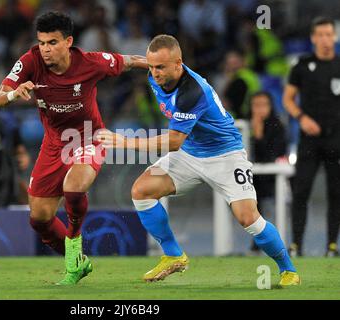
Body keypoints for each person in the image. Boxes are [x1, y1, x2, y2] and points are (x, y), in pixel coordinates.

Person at [97, 34, 300, 286]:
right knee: (141, 191)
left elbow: (173, 142)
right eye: (151, 66)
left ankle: (288, 269)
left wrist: (125, 142)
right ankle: (173, 256)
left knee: (248, 218)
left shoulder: (192, 92)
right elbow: (136, 61)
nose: (155, 73)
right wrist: (112, 63)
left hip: (225, 155)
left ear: (178, 63)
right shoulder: (154, 72)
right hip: (190, 153)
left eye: (160, 67)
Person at [0, 11, 147, 285]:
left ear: (68, 41)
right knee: (39, 218)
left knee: (74, 186)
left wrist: (161, 64)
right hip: (53, 144)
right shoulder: (30, 61)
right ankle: (78, 262)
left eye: (52, 42)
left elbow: (129, 62)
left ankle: (74, 242)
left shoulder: (90, 62)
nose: (46, 49)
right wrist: (15, 93)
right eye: (41, 43)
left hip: (89, 137)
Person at [283, 17, 340, 257]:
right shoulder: (302, 65)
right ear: (313, 38)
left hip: (336, 139)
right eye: (321, 35)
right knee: (300, 191)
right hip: (309, 140)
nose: (326, 39)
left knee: (336, 193)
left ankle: (332, 246)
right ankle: (296, 245)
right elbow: (287, 99)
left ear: (335, 37)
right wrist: (302, 118)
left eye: (329, 34)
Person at [249, 91, 287, 253]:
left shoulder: (277, 125)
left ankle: (268, 240)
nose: (260, 110)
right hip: (250, 175)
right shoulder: (243, 124)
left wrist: (258, 133)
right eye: (256, 105)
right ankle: (257, 238)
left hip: (271, 176)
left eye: (263, 105)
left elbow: (270, 155)